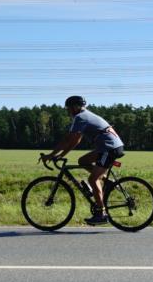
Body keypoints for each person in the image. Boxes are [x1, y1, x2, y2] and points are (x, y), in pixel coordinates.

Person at [40, 95, 125, 225]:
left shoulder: (80, 117)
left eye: (68, 108)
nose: (67, 111)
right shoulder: (84, 115)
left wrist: (54, 155)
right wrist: (59, 154)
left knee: (92, 179)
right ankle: (107, 181)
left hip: (109, 148)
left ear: (75, 107)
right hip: (109, 146)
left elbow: (70, 140)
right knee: (83, 161)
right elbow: (74, 140)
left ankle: (101, 214)